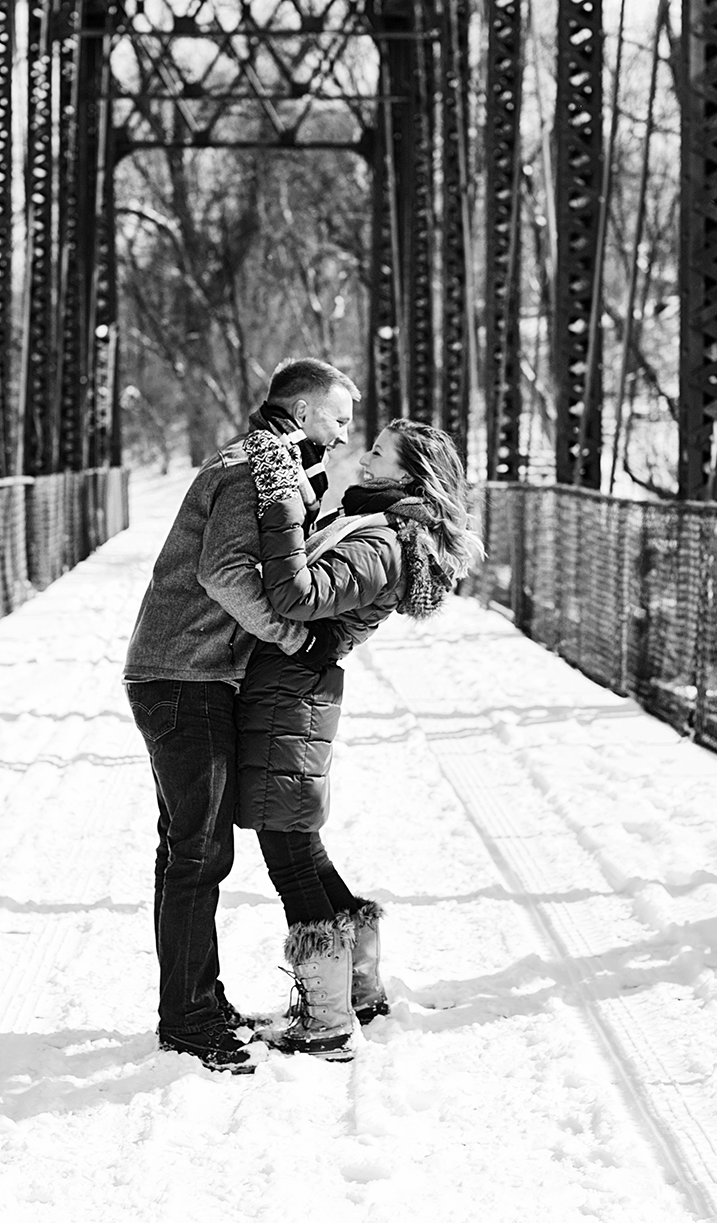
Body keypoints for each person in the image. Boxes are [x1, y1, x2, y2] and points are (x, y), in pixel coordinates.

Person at [123, 358, 359, 1073]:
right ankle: (188, 1018)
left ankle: (196, 999)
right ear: (304, 407)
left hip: (188, 673)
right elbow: (223, 572)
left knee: (190, 850)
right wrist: (295, 635)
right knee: (198, 852)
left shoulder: (271, 464)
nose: (346, 436)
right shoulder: (256, 468)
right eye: (340, 419)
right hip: (183, 674)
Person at [234, 417, 484, 1060]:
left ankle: (326, 1022)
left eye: (377, 451)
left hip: (290, 695)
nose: (362, 455)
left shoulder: (379, 542)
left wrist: (281, 514)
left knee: (287, 853)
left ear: (407, 474)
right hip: (292, 692)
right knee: (302, 847)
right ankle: (360, 990)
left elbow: (295, 596)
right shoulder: (381, 528)